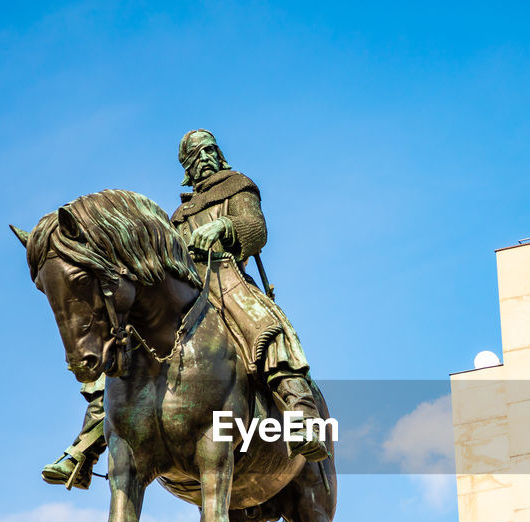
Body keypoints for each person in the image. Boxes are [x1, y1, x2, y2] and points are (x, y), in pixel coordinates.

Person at [41, 129, 326, 489]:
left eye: (209, 150)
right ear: (187, 169)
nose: (204, 158)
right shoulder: (178, 214)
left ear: (219, 154)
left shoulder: (237, 185)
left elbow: (255, 229)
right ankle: (86, 446)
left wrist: (225, 225)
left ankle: (301, 412)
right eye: (195, 156)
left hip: (226, 275)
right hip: (185, 286)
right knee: (123, 345)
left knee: (265, 324)